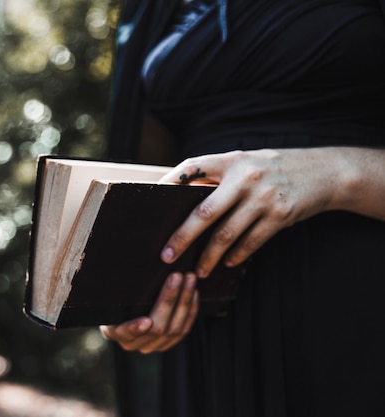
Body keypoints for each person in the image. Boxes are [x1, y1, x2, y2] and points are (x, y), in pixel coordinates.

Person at [99, 0, 385, 416]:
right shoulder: (151, 10)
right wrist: (125, 289)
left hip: (354, 313)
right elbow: (156, 171)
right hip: (202, 320)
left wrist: (334, 173)